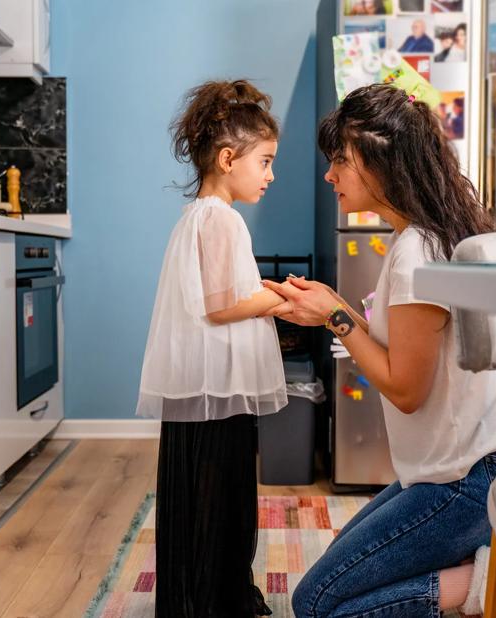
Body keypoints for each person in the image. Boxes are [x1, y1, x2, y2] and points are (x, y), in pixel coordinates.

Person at [264, 84, 496, 618]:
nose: (330, 175)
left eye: (340, 160)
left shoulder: (417, 251)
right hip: (463, 471)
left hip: (466, 483)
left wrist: (336, 317)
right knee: (341, 575)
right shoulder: (426, 237)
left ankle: (486, 583)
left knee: (317, 603)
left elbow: (407, 389)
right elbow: (404, 348)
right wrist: (330, 308)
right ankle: (477, 565)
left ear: (378, 159)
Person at [137, 79, 289, 618]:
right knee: (220, 487)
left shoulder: (196, 216)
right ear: (229, 158)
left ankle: (196, 592)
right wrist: (276, 299)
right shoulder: (223, 220)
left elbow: (213, 298)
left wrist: (264, 296)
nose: (271, 175)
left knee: (196, 486)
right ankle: (217, 595)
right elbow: (223, 306)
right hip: (218, 386)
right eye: (265, 162)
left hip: (200, 383)